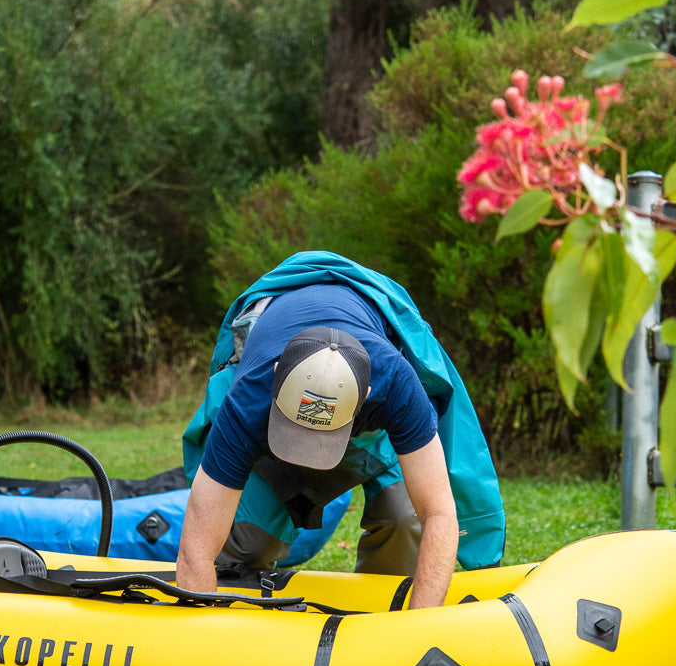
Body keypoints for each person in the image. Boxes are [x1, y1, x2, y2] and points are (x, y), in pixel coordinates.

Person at [178, 250, 505, 609]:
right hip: (268, 425)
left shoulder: (395, 383)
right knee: (249, 542)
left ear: (366, 395)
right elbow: (196, 553)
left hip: (370, 435)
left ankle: (383, 619)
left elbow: (440, 514)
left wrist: (417, 632)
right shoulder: (248, 397)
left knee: (404, 519)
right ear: (275, 378)